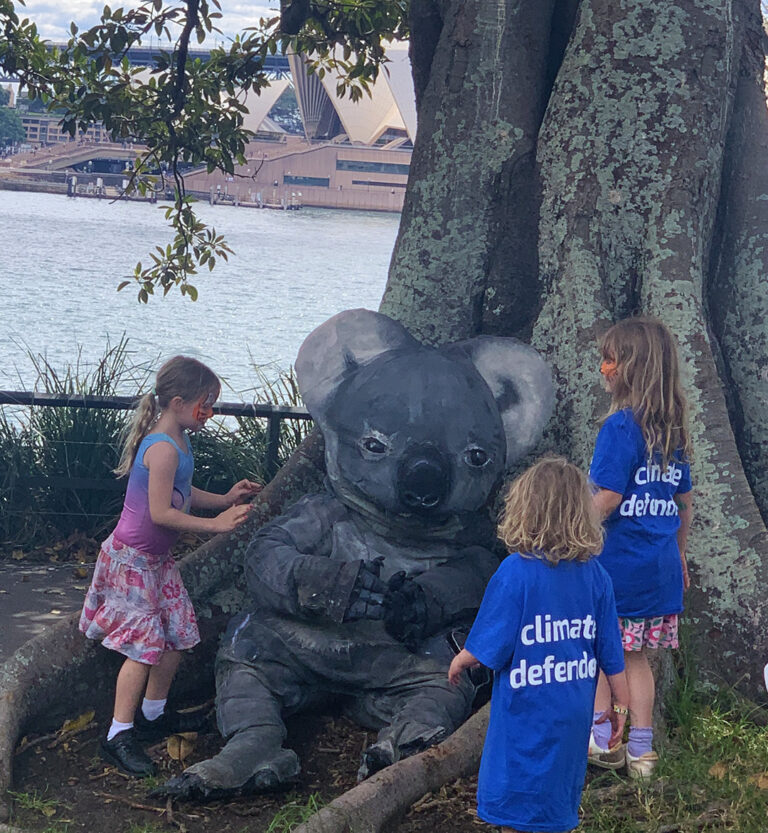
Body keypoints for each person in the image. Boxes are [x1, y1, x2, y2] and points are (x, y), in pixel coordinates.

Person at [79, 356, 262, 777]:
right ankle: (118, 735)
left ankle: (154, 715)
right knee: (142, 650)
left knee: (179, 635)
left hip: (157, 563)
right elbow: (162, 513)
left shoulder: (178, 440)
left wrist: (225, 498)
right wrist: (215, 526)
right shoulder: (160, 448)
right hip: (133, 563)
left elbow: (183, 491)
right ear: (178, 402)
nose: (210, 413)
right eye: (205, 405)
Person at [449, 456, 628, 833]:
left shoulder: (515, 572)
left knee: (516, 802)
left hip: (525, 716)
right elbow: (611, 655)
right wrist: (620, 709)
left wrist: (463, 658)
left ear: (524, 509)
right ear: (583, 513)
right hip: (573, 715)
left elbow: (489, 645)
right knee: (556, 801)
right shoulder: (596, 576)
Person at [588, 317, 693, 779]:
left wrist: (568, 531)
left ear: (630, 368)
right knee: (638, 660)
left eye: (610, 359)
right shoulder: (673, 434)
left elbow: (608, 498)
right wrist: (682, 556)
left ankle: (600, 740)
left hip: (620, 568)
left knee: (600, 653)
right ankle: (642, 751)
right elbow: (684, 503)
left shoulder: (619, 429)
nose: (603, 368)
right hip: (661, 569)